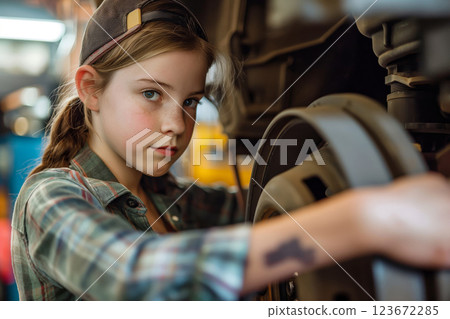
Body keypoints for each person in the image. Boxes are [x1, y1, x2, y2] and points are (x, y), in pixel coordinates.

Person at [10, 0, 450, 301]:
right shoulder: (50, 197)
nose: (176, 124)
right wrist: (367, 219)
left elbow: (272, 203)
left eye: (190, 101)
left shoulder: (168, 197)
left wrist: (411, 170)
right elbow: (133, 277)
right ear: (91, 89)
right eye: (150, 94)